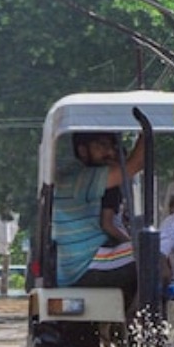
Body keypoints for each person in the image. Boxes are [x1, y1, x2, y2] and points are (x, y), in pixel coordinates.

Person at [53, 132, 146, 309]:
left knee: (143, 254)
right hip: (86, 264)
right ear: (82, 151)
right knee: (153, 257)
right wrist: (147, 127)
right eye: (101, 146)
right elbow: (136, 164)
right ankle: (143, 324)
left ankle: (129, 315)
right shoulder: (83, 177)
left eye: (112, 147)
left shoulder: (75, 176)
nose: (110, 152)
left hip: (80, 263)